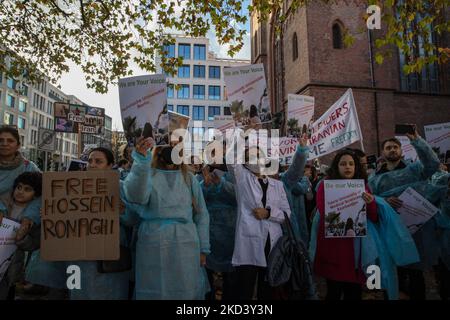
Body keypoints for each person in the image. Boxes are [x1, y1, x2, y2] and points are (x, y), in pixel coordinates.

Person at [122, 138, 210, 299]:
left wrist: (203, 249)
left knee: (185, 286)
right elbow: (136, 196)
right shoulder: (147, 175)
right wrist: (142, 162)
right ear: (158, 152)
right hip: (153, 242)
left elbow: (202, 214)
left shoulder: (189, 179)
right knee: (154, 286)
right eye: (166, 149)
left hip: (186, 243)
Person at [369, 132, 441, 300]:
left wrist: (417, 140)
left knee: (416, 274)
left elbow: (433, 164)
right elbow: (370, 201)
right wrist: (384, 200)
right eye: (388, 148)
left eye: (395, 147)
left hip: (417, 231)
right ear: (383, 153)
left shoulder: (415, 170)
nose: (392, 150)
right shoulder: (374, 179)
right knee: (394, 271)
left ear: (401, 151)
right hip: (390, 231)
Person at [226, 135, 292, 300]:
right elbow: (231, 160)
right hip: (249, 240)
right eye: (250, 157)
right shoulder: (242, 179)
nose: (255, 160)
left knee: (268, 289)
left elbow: (286, 214)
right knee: (245, 288)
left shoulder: (278, 185)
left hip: (272, 243)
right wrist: (242, 137)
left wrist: (268, 213)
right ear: (245, 162)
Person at [312, 150, 378, 300]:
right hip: (334, 249)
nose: (347, 167)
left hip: (356, 250)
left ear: (356, 167)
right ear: (336, 166)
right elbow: (325, 213)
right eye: (343, 164)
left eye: (351, 163)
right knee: (334, 292)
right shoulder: (324, 186)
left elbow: (373, 217)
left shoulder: (364, 187)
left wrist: (371, 202)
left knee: (354, 293)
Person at [68, 147, 130, 300]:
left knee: (110, 292)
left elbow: (133, 219)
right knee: (79, 290)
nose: (93, 164)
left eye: (98, 161)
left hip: (110, 253)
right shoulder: (74, 186)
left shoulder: (121, 187)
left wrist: (121, 212)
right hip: (80, 253)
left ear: (110, 166)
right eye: (90, 161)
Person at [200, 161, 238, 300]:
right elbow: (197, 202)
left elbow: (238, 197)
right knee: (208, 273)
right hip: (208, 231)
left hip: (230, 232)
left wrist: (221, 184)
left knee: (230, 276)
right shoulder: (201, 176)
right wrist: (204, 184)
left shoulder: (232, 175)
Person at [0, 172, 41, 300]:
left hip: (12, 267)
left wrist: (21, 238)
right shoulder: (3, 205)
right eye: (19, 187)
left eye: (27, 189)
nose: (21, 191)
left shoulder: (35, 217)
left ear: (36, 194)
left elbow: (34, 243)